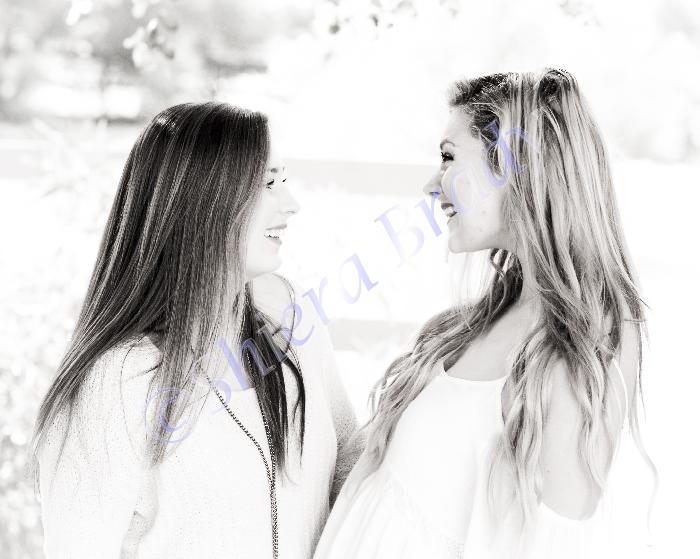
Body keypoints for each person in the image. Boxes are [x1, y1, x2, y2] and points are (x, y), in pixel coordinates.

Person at [312, 69, 655, 558]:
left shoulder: (587, 340)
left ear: (515, 166)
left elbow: (557, 544)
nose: (432, 185)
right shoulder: (471, 325)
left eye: (449, 157)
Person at [29, 102, 363, 559]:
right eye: (268, 183)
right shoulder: (117, 382)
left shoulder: (290, 313)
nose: (291, 203)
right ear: (205, 201)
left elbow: (348, 466)